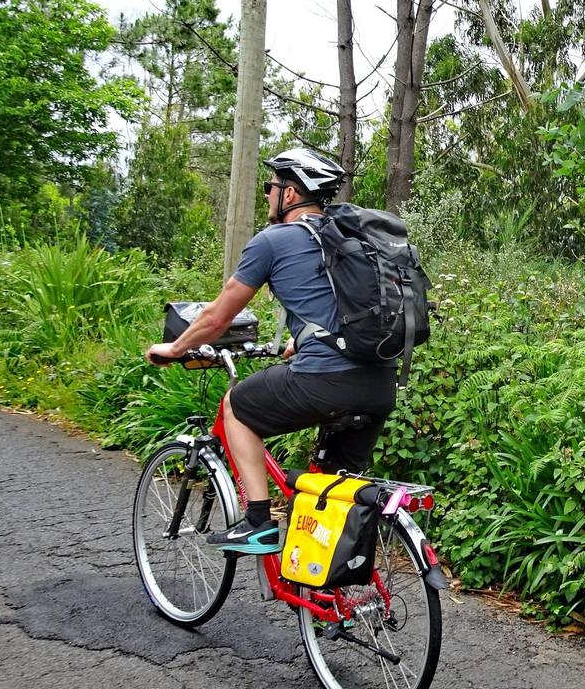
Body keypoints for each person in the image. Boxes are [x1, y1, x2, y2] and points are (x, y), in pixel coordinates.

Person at [145, 149, 397, 555]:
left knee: (235, 408)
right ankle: (331, 604)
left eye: (271, 187)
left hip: (325, 382)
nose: (267, 195)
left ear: (291, 193)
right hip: (381, 384)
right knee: (332, 494)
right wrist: (303, 338)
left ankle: (258, 522)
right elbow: (342, 302)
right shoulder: (349, 239)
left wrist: (174, 348)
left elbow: (216, 318)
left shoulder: (273, 241)